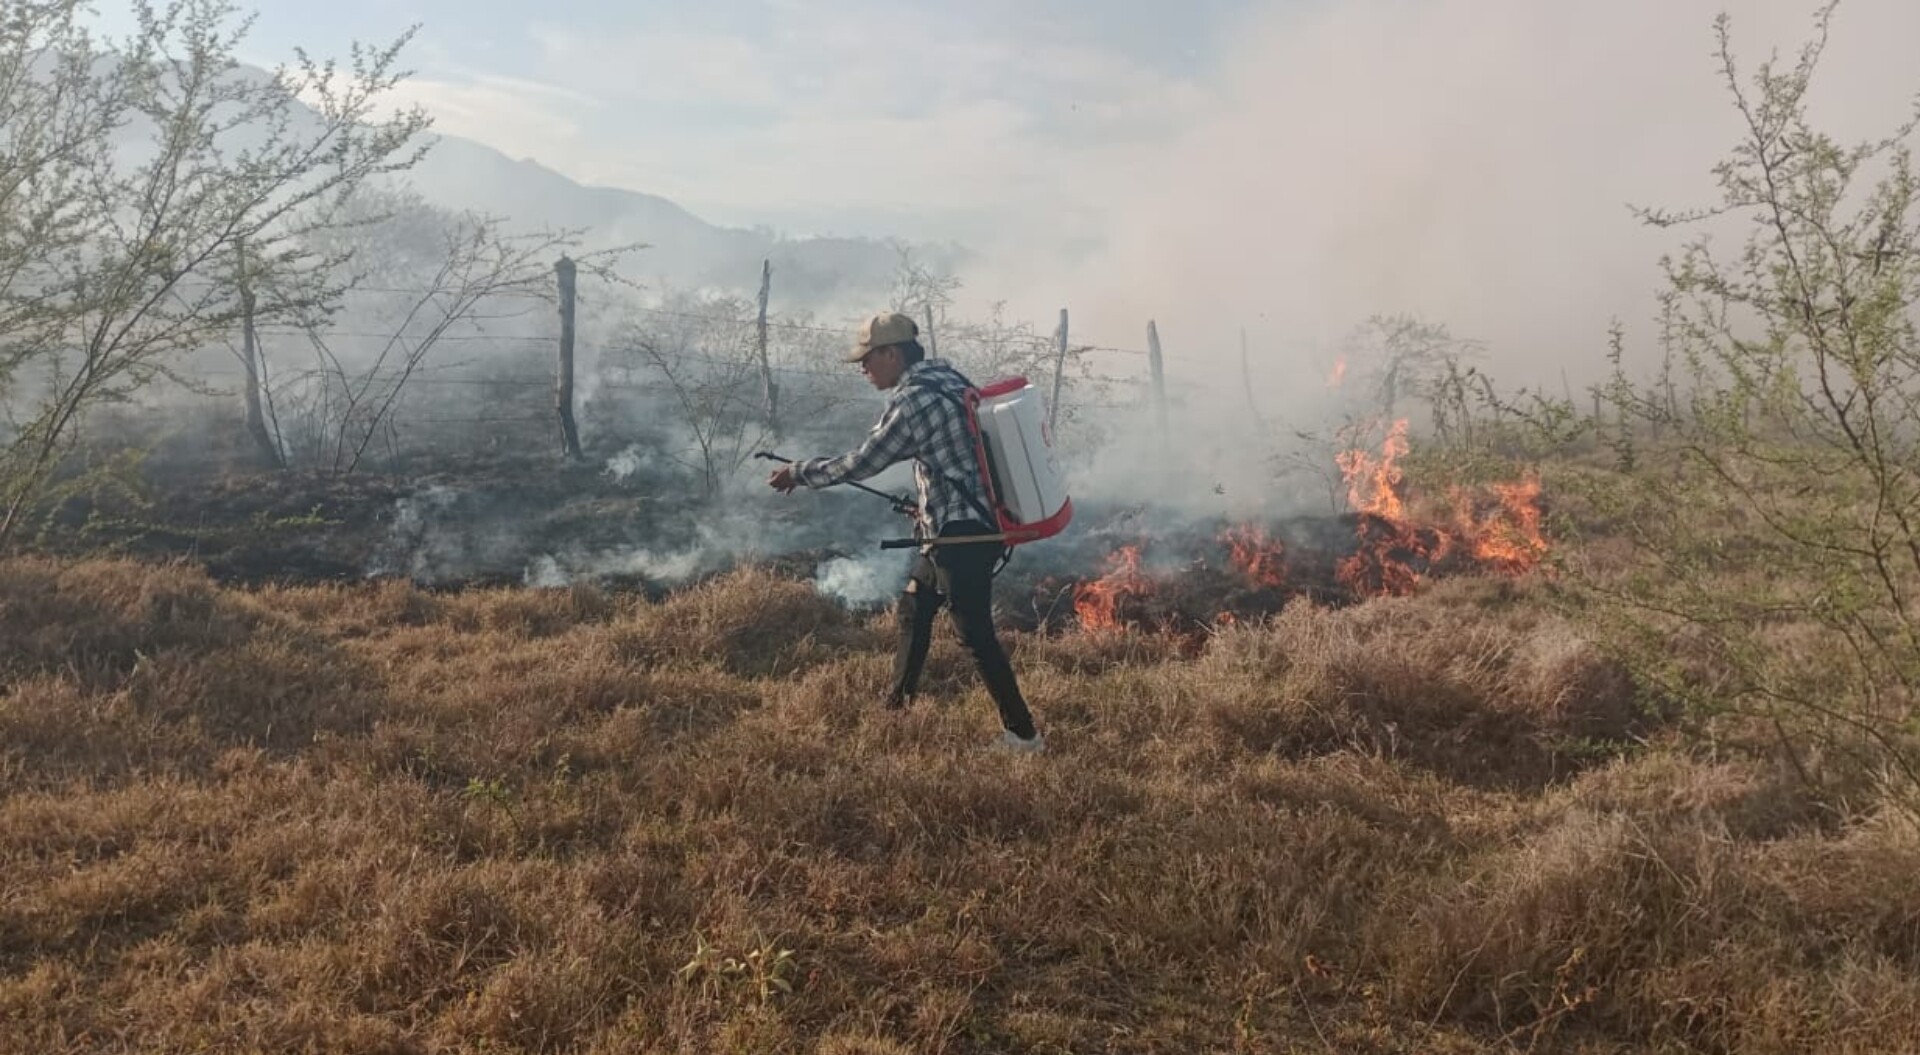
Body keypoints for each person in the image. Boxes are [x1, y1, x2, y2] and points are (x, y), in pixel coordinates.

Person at [767, 310, 1045, 753]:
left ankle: (1024, 735)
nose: (863, 368)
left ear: (892, 354)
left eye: (868, 359)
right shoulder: (950, 379)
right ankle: (896, 708)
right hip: (956, 525)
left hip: (962, 533)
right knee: (915, 608)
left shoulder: (914, 400)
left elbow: (863, 462)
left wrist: (799, 473)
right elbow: (958, 458)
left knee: (974, 634)